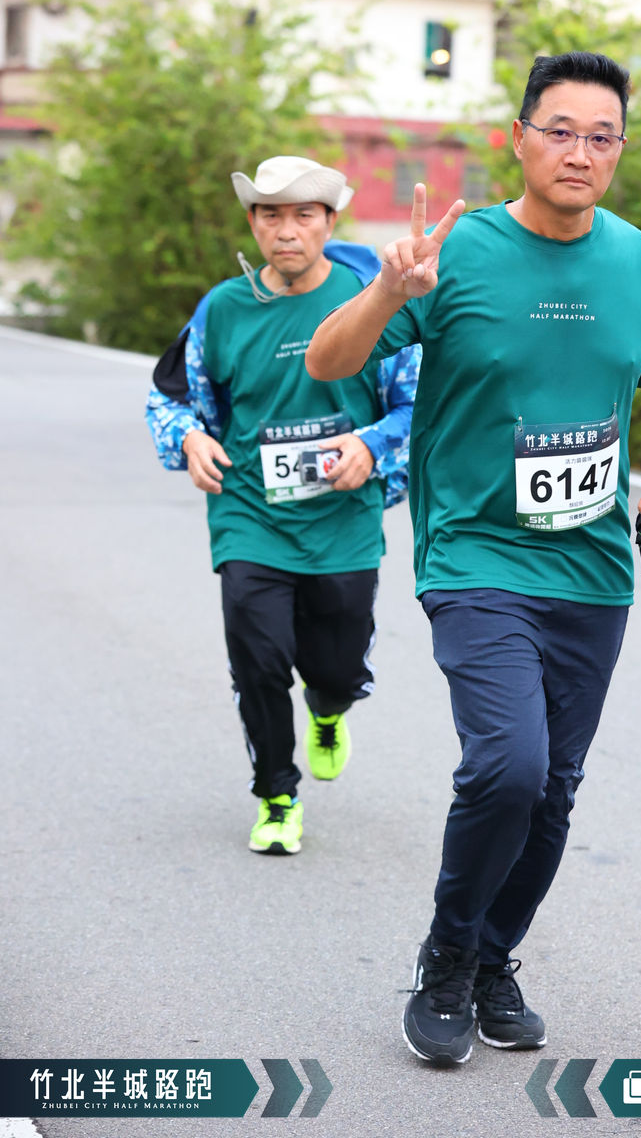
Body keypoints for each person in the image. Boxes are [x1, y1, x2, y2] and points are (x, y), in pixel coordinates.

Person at [306, 52, 641, 1064]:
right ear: (519, 139)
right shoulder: (456, 253)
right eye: (560, 130)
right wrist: (386, 292)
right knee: (509, 765)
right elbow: (328, 361)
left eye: (601, 136)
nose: (579, 152)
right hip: (475, 553)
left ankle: (493, 956)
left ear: (619, 149)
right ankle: (448, 956)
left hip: (592, 569)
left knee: (554, 787)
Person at [146, 156, 419, 856]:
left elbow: (419, 404)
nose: (286, 230)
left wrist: (373, 445)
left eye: (303, 215)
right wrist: (189, 438)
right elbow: (168, 398)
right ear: (253, 223)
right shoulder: (221, 310)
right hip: (250, 514)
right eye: (271, 215)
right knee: (259, 662)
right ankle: (277, 796)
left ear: (329, 222)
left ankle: (328, 708)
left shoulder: (367, 297)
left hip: (343, 520)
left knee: (336, 669)